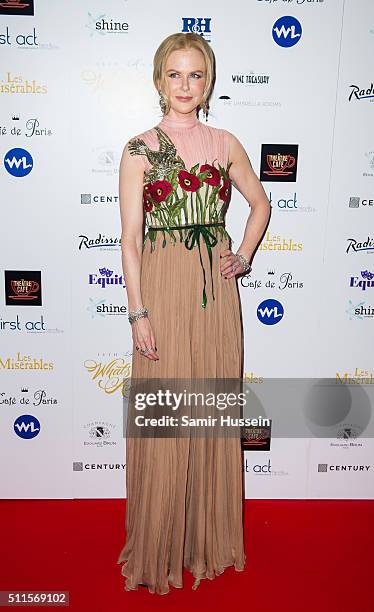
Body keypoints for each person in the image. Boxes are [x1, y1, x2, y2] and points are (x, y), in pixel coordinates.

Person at [116, 32, 271, 595]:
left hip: (214, 292)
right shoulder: (138, 148)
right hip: (162, 285)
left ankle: (205, 539)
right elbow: (131, 240)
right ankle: (158, 542)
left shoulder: (226, 141)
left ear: (209, 83)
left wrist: (244, 255)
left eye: (196, 75)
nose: (186, 85)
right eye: (175, 74)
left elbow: (260, 204)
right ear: (159, 80)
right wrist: (138, 313)